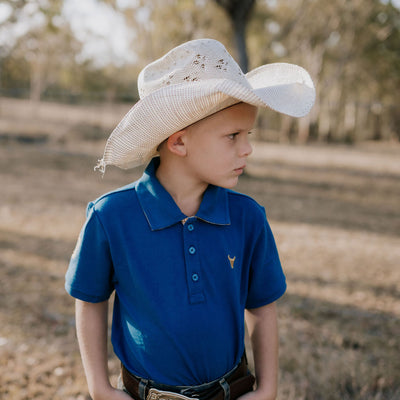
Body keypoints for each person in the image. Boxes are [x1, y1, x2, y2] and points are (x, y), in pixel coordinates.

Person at [65, 38, 315, 400]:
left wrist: (268, 389)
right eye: (232, 136)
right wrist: (99, 387)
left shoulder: (248, 217)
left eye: (249, 135)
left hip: (231, 390)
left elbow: (262, 306)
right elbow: (89, 300)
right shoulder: (111, 217)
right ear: (179, 143)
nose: (247, 148)